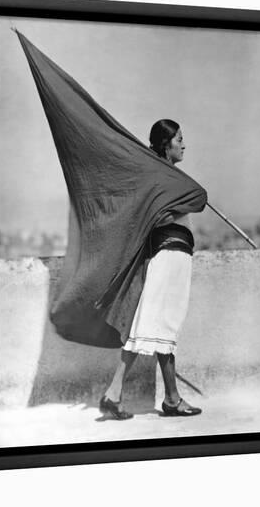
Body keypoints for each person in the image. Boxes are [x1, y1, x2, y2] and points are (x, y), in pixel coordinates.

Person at [99, 119, 202, 420]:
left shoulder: (165, 177)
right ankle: (120, 392)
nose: (184, 144)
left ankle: (164, 398)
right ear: (166, 144)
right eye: (179, 139)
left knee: (154, 329)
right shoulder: (163, 178)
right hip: (170, 255)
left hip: (170, 254)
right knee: (155, 327)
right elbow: (195, 200)